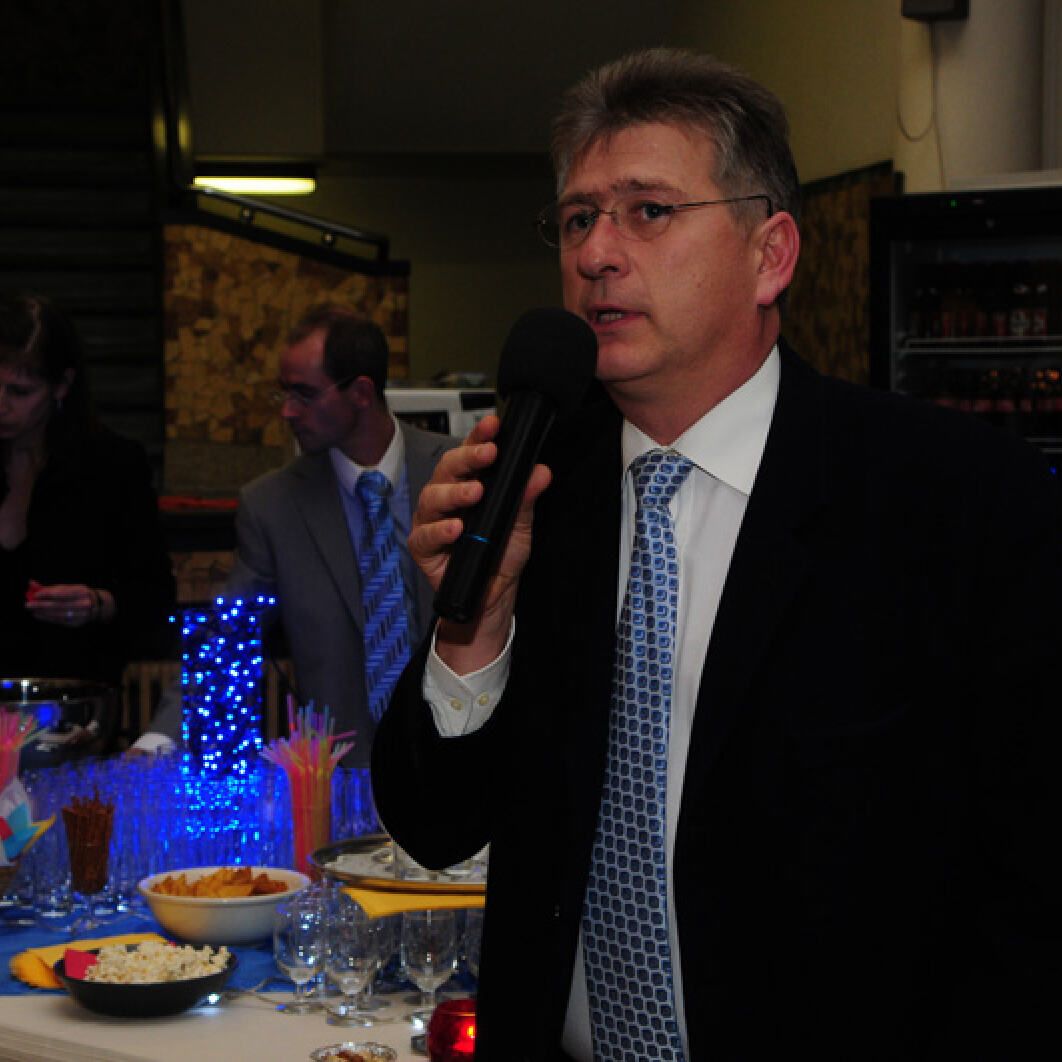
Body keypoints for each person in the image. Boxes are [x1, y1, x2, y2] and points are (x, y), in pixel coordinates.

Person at [370, 48, 1062, 1060]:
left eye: (648, 211)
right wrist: (475, 625)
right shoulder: (532, 488)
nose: (597, 254)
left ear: (770, 254)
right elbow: (435, 827)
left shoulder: (956, 498)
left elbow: (1032, 882)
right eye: (577, 219)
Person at [138, 306, 458, 766]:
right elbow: (229, 639)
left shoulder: (458, 471)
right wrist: (155, 742)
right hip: (341, 778)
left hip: (463, 762)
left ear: (361, 392)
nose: (287, 411)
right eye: (283, 392)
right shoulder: (273, 505)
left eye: (304, 394)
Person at [0, 293, 175, 758]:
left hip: (72, 727)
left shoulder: (110, 467)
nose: (0, 405)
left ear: (62, 386)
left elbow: (155, 602)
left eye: (19, 392)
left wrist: (98, 604)